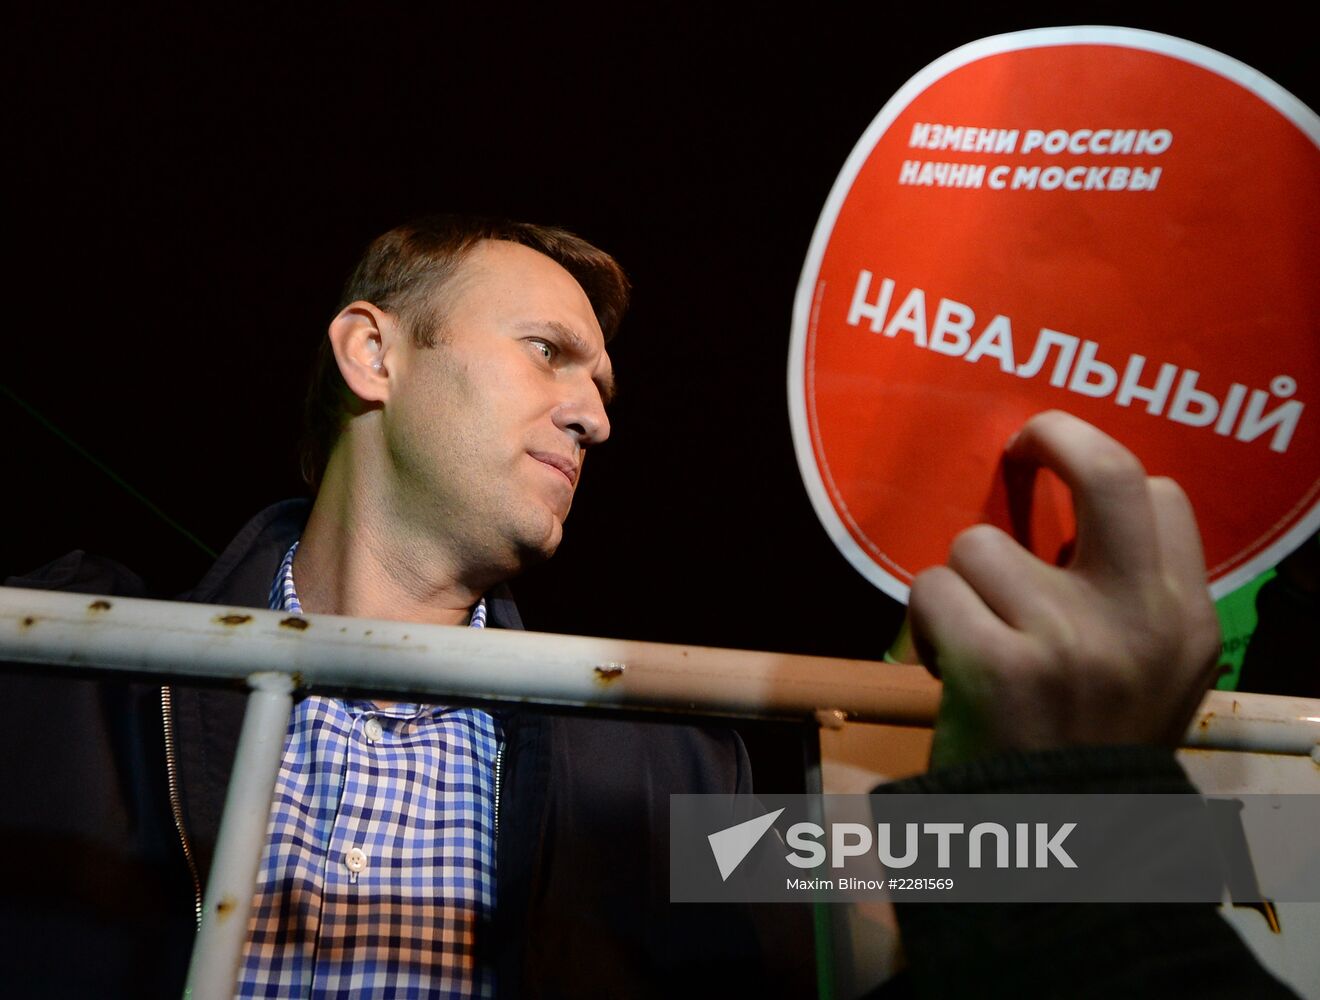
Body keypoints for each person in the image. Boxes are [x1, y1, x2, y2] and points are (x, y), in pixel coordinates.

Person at [2, 215, 1295, 998]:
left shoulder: (665, 761)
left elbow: (1028, 875)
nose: (596, 412)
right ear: (373, 353)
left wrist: (1099, 735)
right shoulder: (62, 672)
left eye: (605, 381)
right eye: (549, 352)